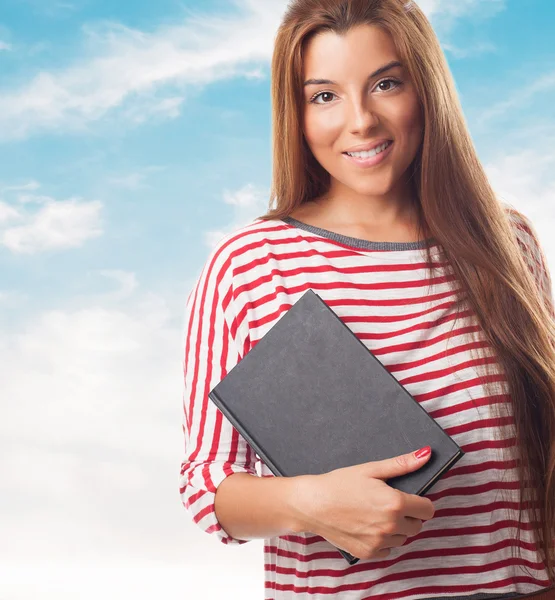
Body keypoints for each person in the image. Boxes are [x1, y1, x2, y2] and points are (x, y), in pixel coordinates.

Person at [179, 1, 555, 598]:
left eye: (385, 83)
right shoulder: (252, 263)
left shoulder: (508, 244)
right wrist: (309, 502)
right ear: (296, 113)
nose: (360, 121)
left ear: (425, 89)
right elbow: (206, 485)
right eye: (324, 95)